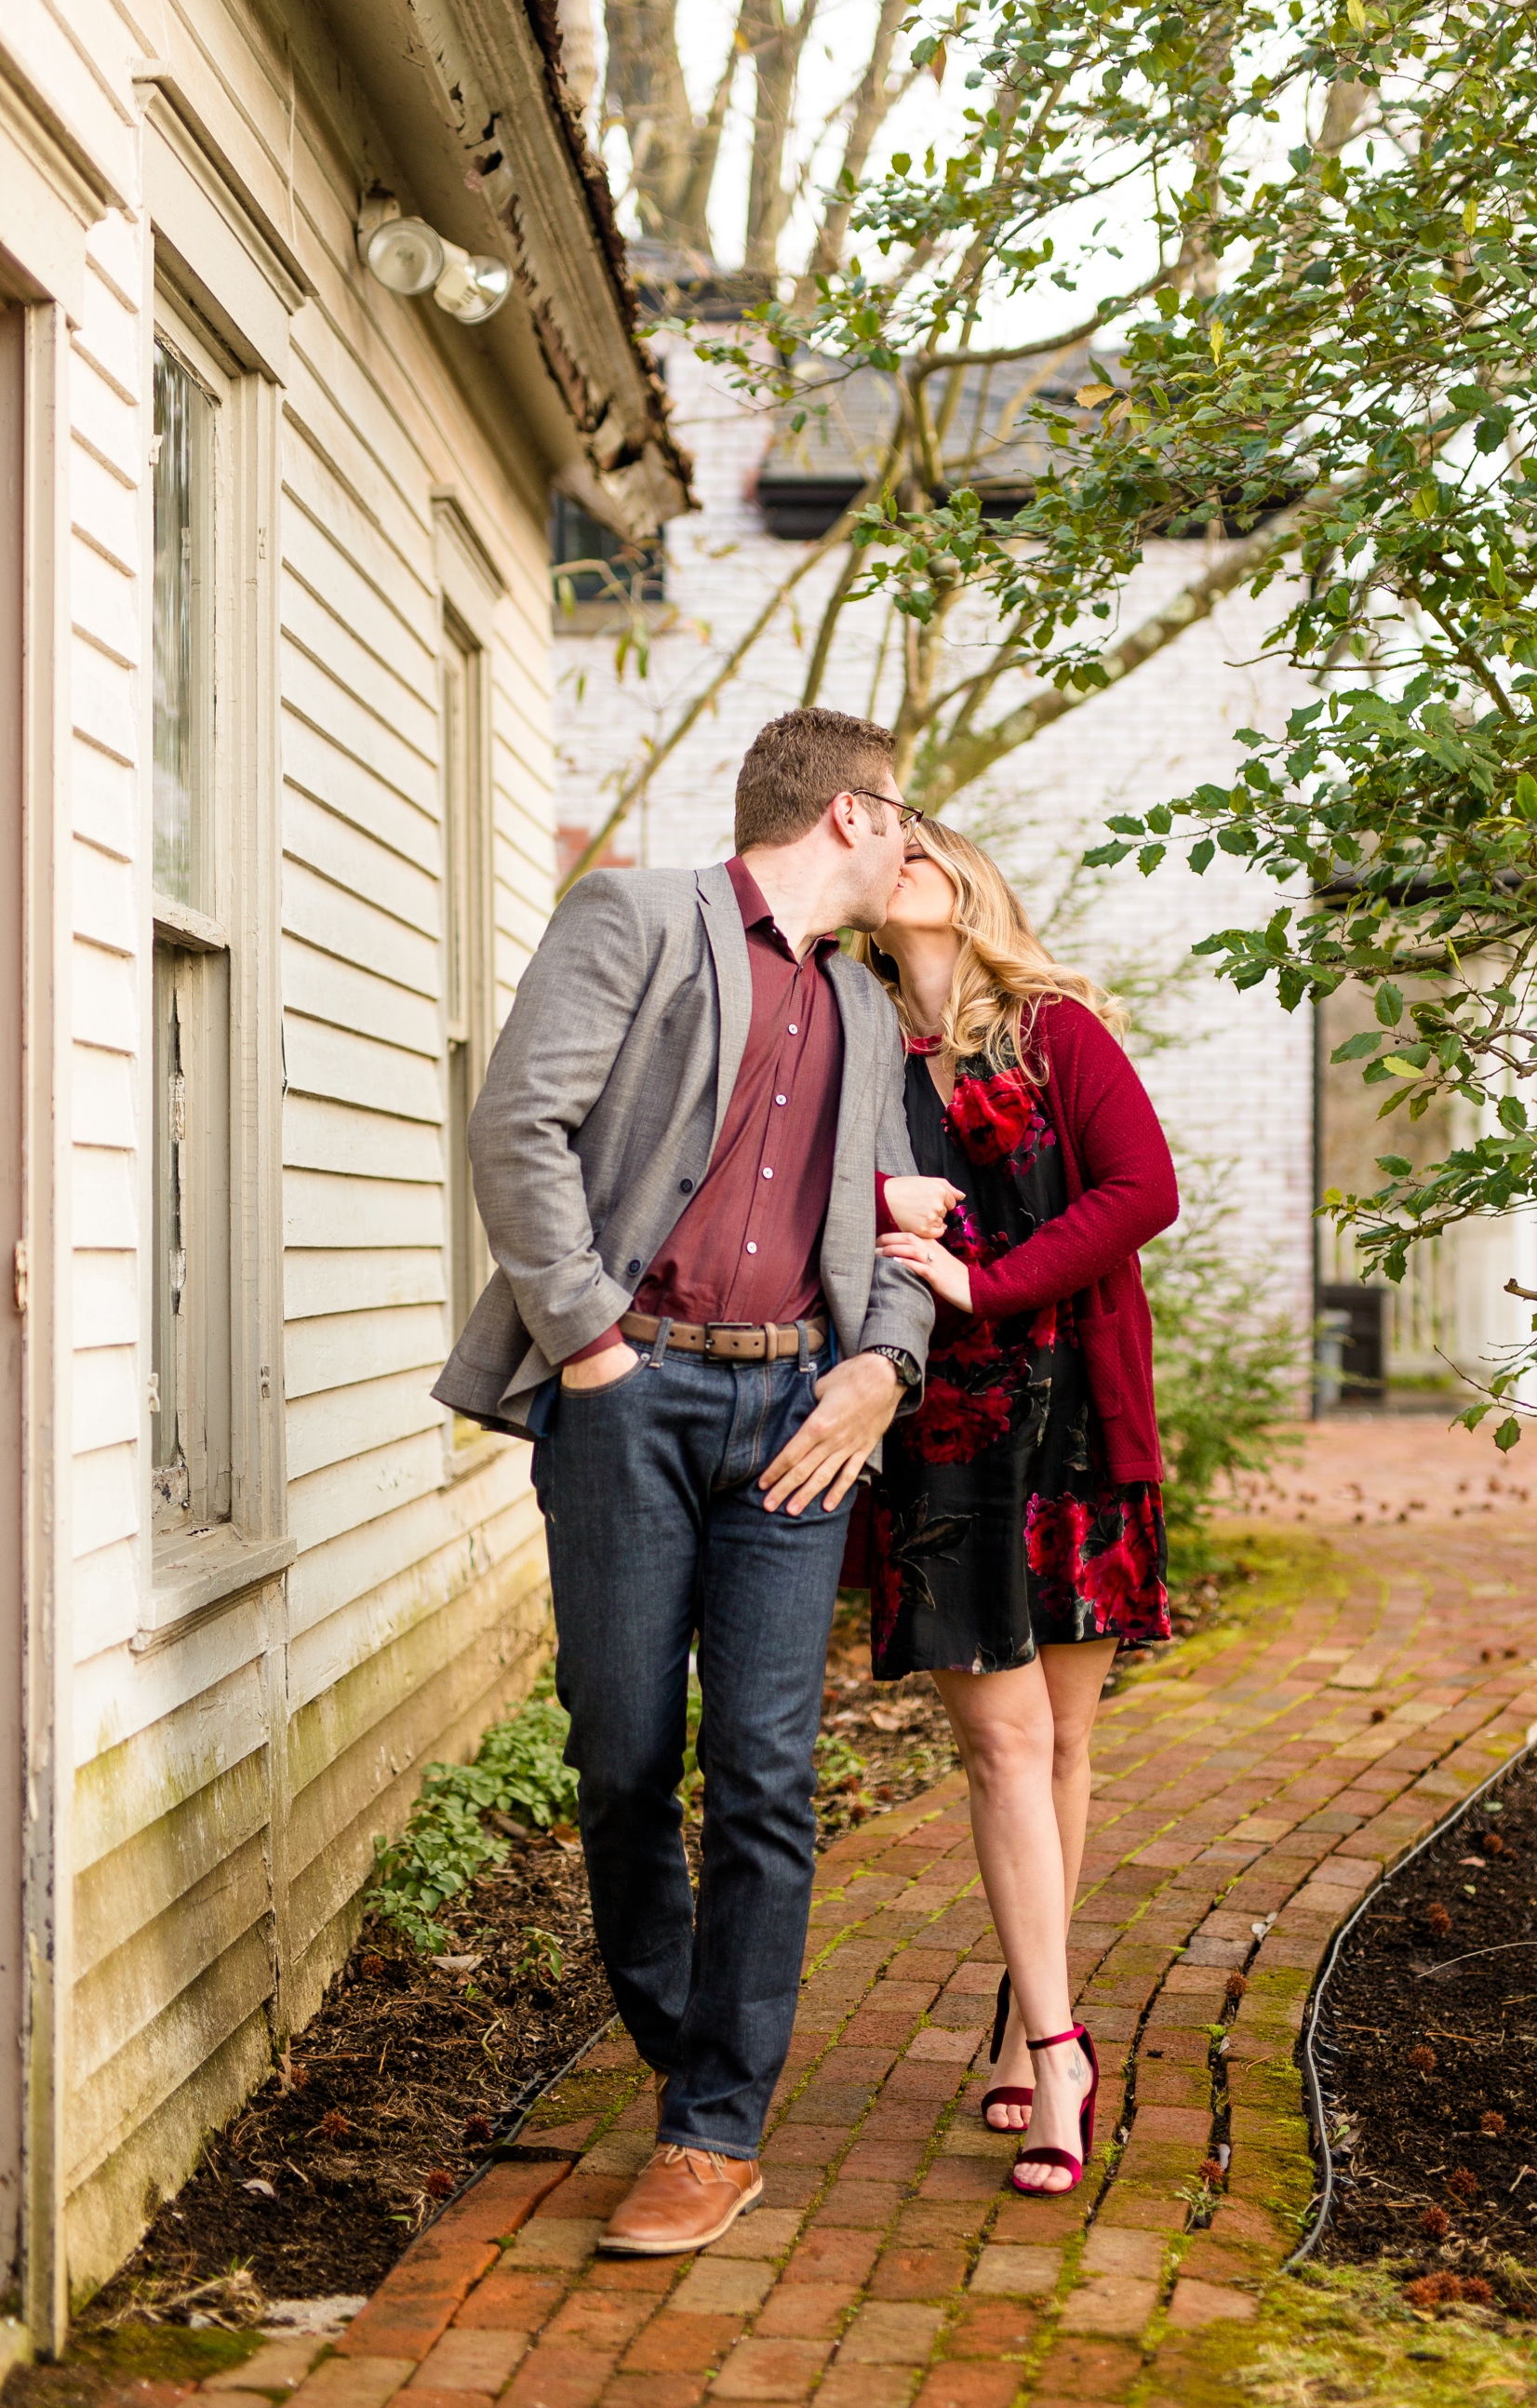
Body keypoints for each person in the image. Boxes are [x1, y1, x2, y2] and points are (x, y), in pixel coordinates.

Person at [434, 709, 933, 2258]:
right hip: (631, 1397)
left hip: (800, 1410)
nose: (916, 842)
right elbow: (518, 1128)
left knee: (770, 1775)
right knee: (626, 1759)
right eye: (902, 816)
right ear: (846, 816)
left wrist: (884, 1367)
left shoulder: (863, 1013)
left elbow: (909, 1230)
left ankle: (712, 2127)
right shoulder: (640, 918)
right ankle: (684, 2049)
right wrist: (590, 1347)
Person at [849, 819, 1177, 2196]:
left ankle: (1014, 2002)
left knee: (1058, 1746)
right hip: (941, 1432)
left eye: (929, 843)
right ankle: (1060, 2048)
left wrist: (991, 1280)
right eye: (890, 846)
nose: (904, 856)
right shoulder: (852, 1043)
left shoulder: (1057, 1034)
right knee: (1001, 1743)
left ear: (977, 881)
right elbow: (798, 1194)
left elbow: (1140, 1191)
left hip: (1076, 1423)